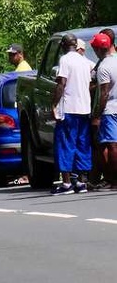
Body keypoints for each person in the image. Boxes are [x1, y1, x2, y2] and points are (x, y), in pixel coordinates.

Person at [52, 33, 92, 194]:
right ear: (76, 45)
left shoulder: (65, 60)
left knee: (65, 144)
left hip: (69, 108)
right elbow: (90, 83)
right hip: (85, 108)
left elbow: (62, 83)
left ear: (63, 45)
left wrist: (54, 103)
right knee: (82, 144)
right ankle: (81, 182)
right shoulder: (84, 61)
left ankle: (67, 183)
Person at [90, 32, 117, 189]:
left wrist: (97, 115)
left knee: (111, 145)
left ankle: (114, 180)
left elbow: (104, 93)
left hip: (110, 110)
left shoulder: (104, 67)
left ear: (99, 49)